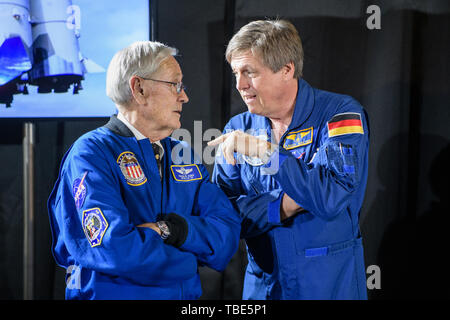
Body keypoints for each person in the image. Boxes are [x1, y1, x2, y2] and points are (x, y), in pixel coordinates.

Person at [47, 41, 241, 300]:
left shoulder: (183, 155)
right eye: (175, 84)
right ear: (139, 89)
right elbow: (117, 250)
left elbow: (225, 237)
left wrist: (172, 230)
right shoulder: (91, 153)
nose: (184, 96)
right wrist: (188, 262)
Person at [209, 19, 370, 300]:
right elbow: (221, 214)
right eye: (236, 73)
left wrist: (268, 154)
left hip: (327, 285)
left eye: (250, 72)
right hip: (263, 286)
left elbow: (329, 198)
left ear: (286, 69)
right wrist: (283, 205)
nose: (240, 85)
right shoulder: (238, 127)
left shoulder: (339, 114)